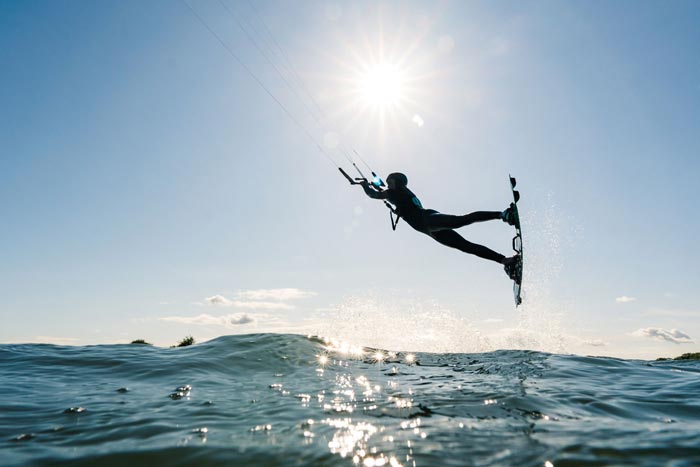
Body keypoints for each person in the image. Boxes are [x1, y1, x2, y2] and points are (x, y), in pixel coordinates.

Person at [360, 172, 520, 279]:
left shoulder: (394, 192)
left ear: (398, 182)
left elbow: (373, 194)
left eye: (390, 181)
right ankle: (505, 261)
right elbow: (384, 192)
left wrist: (364, 184)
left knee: (460, 221)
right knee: (466, 246)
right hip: (429, 228)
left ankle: (503, 215)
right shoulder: (399, 192)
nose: (388, 183)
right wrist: (374, 185)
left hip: (427, 221)